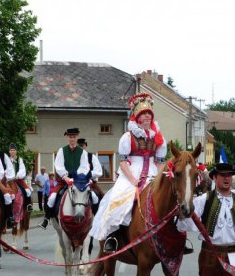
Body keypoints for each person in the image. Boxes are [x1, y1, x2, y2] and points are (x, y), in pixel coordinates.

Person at [90, 94, 167, 252]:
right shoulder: (127, 137)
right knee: (117, 199)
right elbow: (123, 162)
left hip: (153, 172)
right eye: (143, 114)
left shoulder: (159, 138)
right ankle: (113, 236)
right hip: (130, 172)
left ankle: (176, 237)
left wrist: (161, 178)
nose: (147, 116)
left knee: (169, 198)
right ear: (137, 118)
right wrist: (132, 180)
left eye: (149, 114)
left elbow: (160, 163)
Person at [45, 128, 90, 219]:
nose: (72, 139)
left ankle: (94, 217)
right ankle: (47, 218)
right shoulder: (62, 150)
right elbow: (59, 165)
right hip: (63, 181)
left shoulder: (83, 153)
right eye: (70, 137)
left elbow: (84, 167)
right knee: (52, 198)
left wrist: (76, 177)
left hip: (78, 181)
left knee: (92, 196)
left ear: (77, 137)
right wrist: (65, 177)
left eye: (74, 137)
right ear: (68, 138)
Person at [76, 138, 104, 212]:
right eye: (79, 146)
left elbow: (99, 172)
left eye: (82, 145)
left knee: (99, 197)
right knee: (56, 196)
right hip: (75, 183)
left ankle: (97, 217)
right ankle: (49, 217)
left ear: (85, 146)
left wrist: (89, 174)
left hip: (90, 183)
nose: (81, 147)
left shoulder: (92, 157)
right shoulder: (73, 157)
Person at [8, 143, 33, 212]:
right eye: (11, 150)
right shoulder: (6, 160)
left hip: (18, 179)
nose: (12, 151)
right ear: (9, 151)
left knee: (28, 191)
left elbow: (22, 169)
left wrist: (17, 176)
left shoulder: (19, 159)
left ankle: (28, 205)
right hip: (9, 180)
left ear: (16, 151)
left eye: (14, 150)